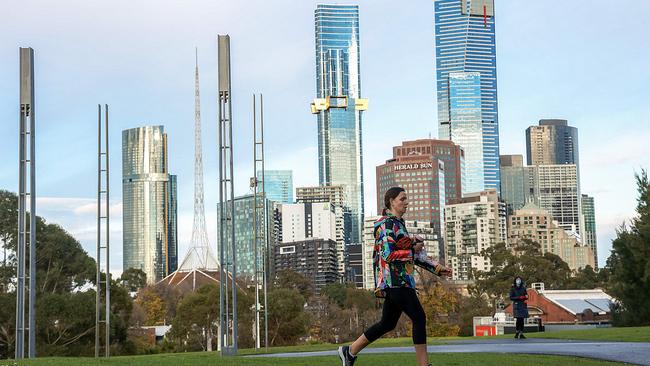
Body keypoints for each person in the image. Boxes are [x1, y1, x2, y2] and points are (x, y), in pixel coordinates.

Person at [338, 187, 452, 366]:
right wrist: (411, 249)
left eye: (406, 199)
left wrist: (438, 269)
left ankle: (349, 351)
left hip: (403, 281)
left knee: (387, 324)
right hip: (393, 282)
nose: (407, 202)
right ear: (391, 201)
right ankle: (424, 364)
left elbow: (413, 256)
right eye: (402, 199)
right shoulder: (385, 224)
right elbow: (387, 254)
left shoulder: (400, 224)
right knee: (419, 317)